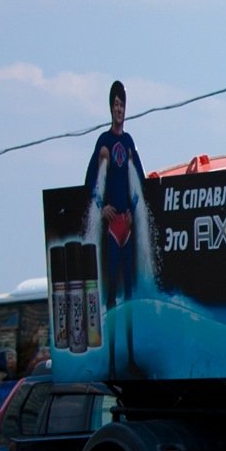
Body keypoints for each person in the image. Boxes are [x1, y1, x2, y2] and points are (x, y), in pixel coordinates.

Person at [81, 80, 145, 373]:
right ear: (110, 109)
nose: (119, 110)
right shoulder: (104, 142)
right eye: (115, 105)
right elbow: (90, 183)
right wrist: (101, 206)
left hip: (127, 226)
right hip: (110, 228)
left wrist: (132, 210)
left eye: (122, 106)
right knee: (111, 295)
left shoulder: (129, 142)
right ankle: (110, 359)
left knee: (130, 293)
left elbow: (140, 183)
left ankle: (130, 356)